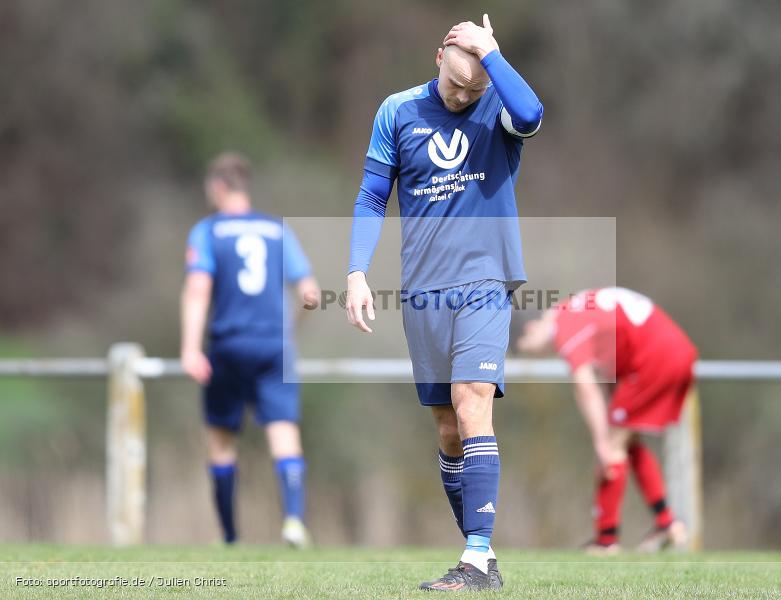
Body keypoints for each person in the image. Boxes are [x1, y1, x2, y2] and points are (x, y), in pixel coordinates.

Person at [345, 14, 543, 592]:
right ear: (438, 58)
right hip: (423, 289)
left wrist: (491, 56)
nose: (462, 96)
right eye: (456, 83)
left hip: (484, 281)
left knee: (471, 400)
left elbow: (531, 114)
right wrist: (356, 271)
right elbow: (372, 195)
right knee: (448, 428)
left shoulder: (498, 104)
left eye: (473, 88)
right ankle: (482, 555)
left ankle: (475, 559)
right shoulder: (397, 111)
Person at [181, 152, 320, 547]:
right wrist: (290, 330)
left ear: (218, 187)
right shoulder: (277, 230)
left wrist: (190, 348)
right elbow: (310, 293)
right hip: (274, 345)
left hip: (228, 344)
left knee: (222, 439)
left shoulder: (207, 231)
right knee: (284, 433)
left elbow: (197, 289)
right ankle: (293, 521)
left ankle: (229, 536)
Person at [517, 287, 695, 553]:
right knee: (628, 443)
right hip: (673, 351)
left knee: (611, 451)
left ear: (532, 328)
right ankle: (667, 523)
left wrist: (601, 442)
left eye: (524, 347)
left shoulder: (564, 324)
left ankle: (606, 541)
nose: (534, 353)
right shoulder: (576, 309)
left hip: (654, 358)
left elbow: (585, 387)